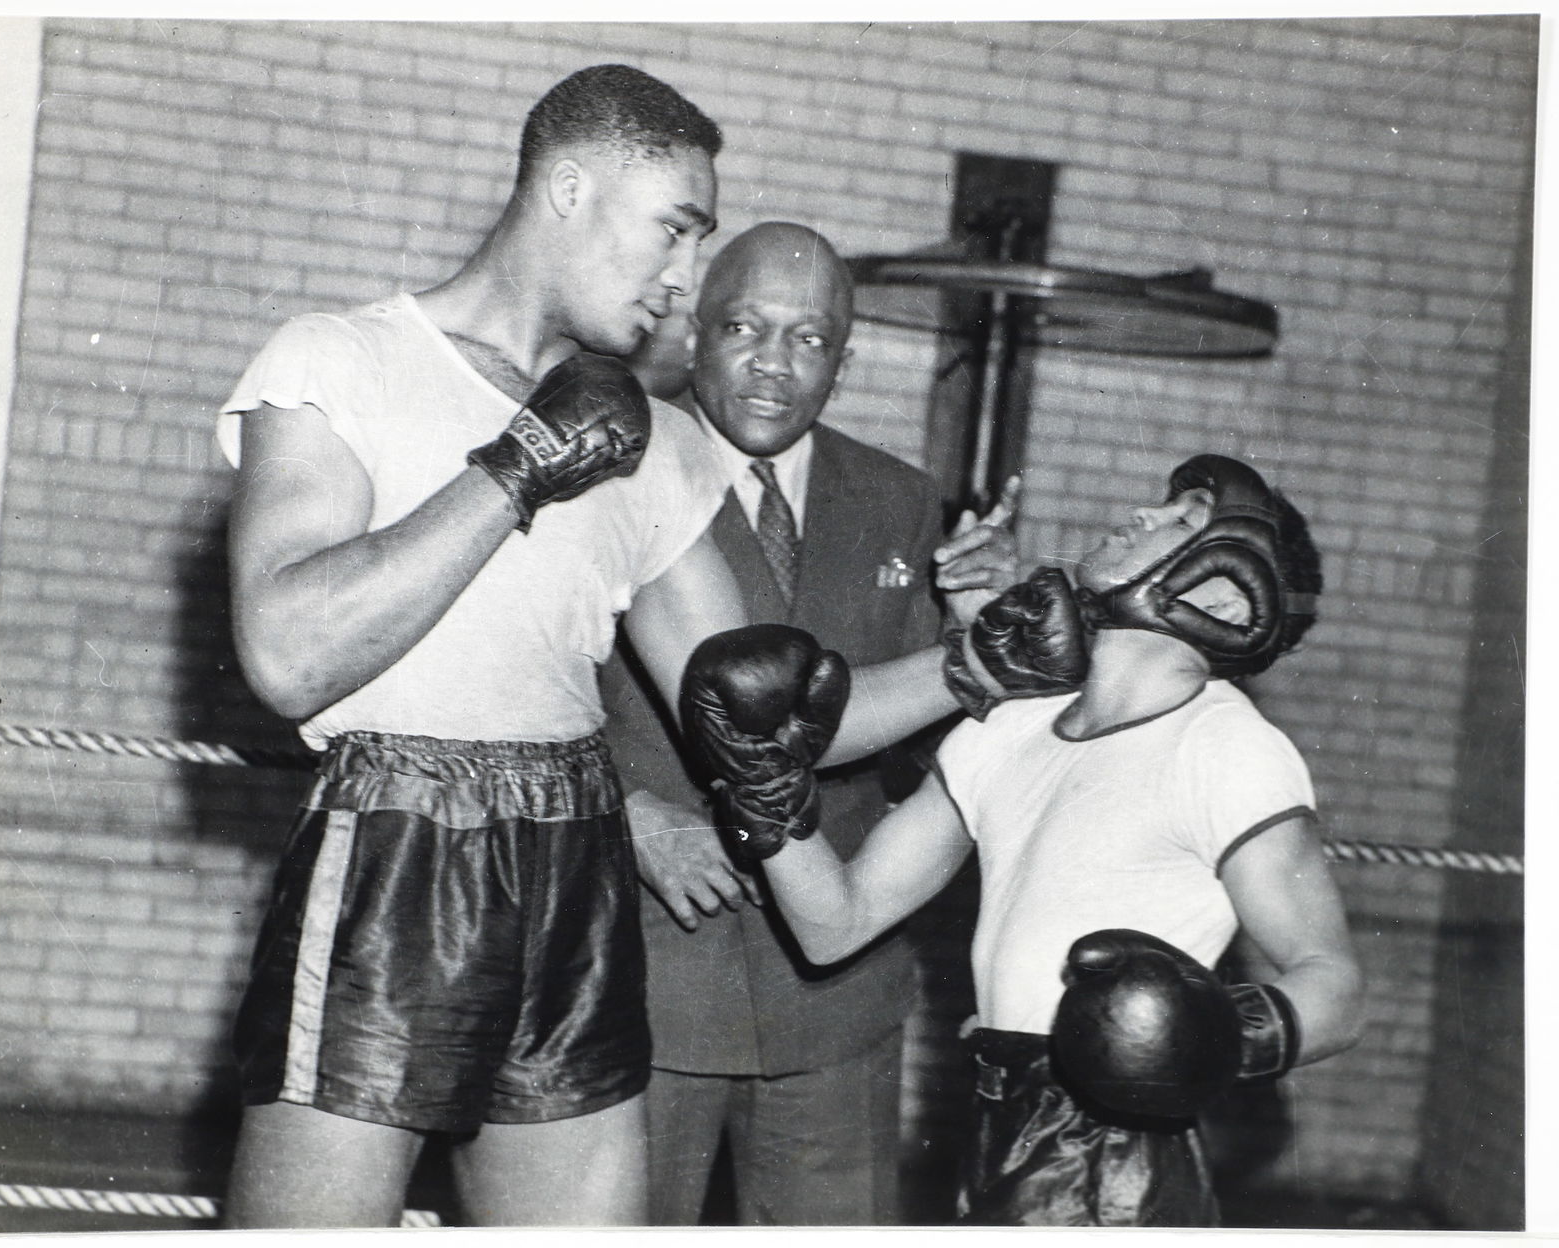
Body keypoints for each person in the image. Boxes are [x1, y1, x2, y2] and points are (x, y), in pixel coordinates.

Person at [215, 67, 1012, 1228]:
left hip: (576, 860)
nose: (684, 280)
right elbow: (288, 653)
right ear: (572, 189)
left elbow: (769, 712)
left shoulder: (651, 442)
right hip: (395, 838)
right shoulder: (342, 360)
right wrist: (513, 471)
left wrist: (985, 666)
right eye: (674, 231)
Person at [722, 453, 1365, 1227]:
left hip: (1119, 1159)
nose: (1142, 514)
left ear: (1229, 589)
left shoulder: (1226, 747)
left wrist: (1206, 1034)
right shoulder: (1011, 726)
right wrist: (762, 793)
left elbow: (1334, 991)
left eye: (1182, 518)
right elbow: (837, 922)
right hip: (996, 1126)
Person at [602, 222, 989, 1225]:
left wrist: (969, 625)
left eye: (809, 339)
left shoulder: (901, 500)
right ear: (694, 335)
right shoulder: (616, 469)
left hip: (836, 1001)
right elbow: (520, 697)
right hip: (647, 979)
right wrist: (632, 814)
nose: (774, 362)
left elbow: (914, 745)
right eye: (744, 326)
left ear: (844, 361)